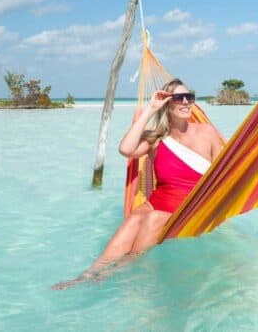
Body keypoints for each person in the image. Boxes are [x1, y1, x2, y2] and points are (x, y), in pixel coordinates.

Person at [52, 78, 222, 290]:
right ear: (167, 103)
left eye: (190, 97)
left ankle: (120, 272)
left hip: (187, 208)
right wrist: (150, 109)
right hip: (156, 201)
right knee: (134, 218)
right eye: (179, 98)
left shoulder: (207, 132)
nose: (186, 102)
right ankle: (87, 275)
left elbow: (225, 171)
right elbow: (126, 149)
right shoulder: (156, 138)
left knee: (151, 219)